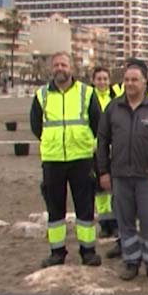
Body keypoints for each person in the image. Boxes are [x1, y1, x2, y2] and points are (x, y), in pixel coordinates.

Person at [96, 59, 148, 281]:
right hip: (120, 176)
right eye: (126, 80)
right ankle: (131, 262)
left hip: (147, 177)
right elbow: (102, 141)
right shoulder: (113, 109)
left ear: (144, 82)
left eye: (134, 80)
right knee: (125, 222)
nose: (130, 84)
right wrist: (104, 172)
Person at [30, 51, 102, 268]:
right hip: (53, 161)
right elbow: (36, 126)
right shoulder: (41, 95)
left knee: (85, 208)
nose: (60, 68)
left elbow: (97, 124)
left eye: (64, 64)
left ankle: (88, 251)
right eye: (56, 65)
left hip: (81, 159)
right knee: (55, 209)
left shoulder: (86, 93)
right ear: (52, 69)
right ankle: (57, 252)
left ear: (71, 68)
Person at [90, 66, 118, 238]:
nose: (102, 82)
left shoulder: (115, 99)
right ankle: (104, 222)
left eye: (105, 79)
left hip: (114, 150)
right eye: (99, 79)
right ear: (93, 80)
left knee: (115, 188)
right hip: (95, 150)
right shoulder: (89, 98)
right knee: (99, 189)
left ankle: (114, 222)